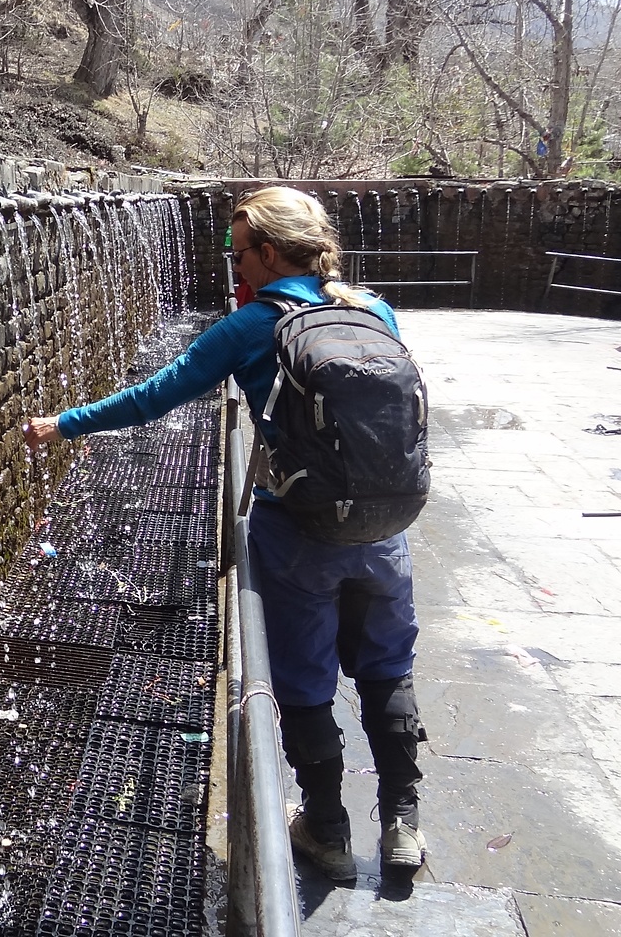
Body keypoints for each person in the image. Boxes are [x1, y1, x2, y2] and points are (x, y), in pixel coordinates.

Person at [24, 186, 426, 880]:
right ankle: (402, 826)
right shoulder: (372, 309)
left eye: (237, 252)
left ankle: (326, 829)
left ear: (268, 252)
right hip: (385, 526)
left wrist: (63, 424)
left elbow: (158, 393)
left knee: (302, 679)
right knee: (387, 665)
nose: (233, 265)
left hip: (297, 530)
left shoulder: (253, 326)